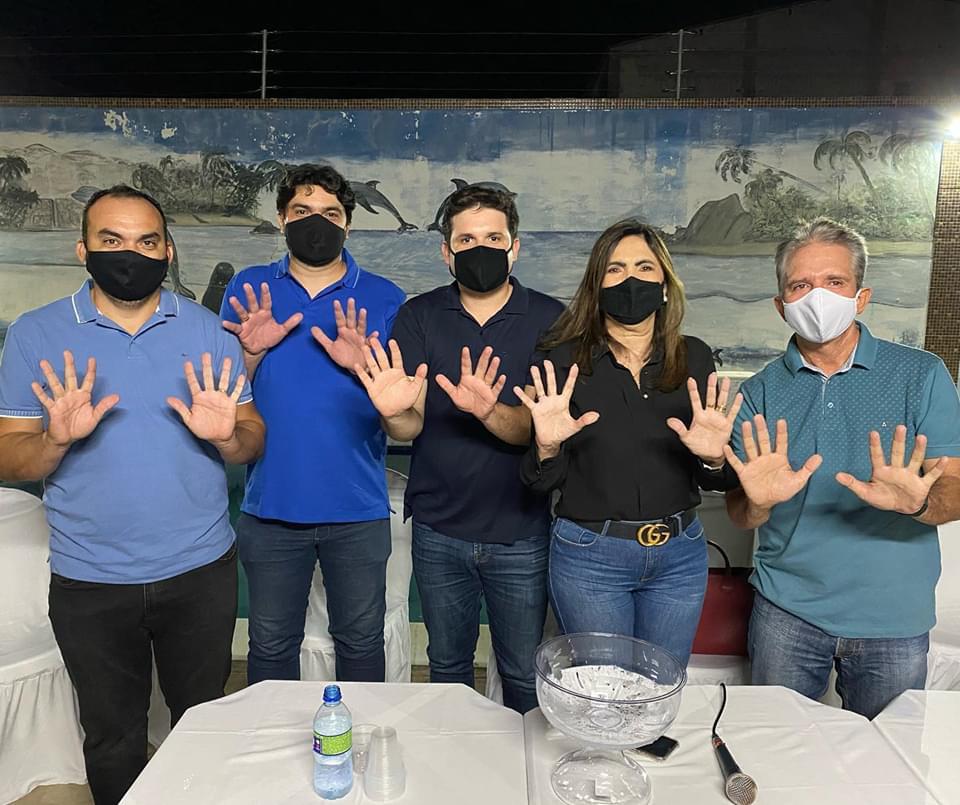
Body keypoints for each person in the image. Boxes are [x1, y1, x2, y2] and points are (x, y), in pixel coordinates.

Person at [0, 185, 264, 805]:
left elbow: (253, 437)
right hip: (89, 580)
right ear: (83, 249)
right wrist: (53, 443)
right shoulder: (35, 334)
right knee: (112, 737)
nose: (130, 254)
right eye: (111, 240)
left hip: (200, 571)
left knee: (201, 722)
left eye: (147, 241)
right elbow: (8, 452)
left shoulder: (209, 331)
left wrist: (228, 437)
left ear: (168, 251)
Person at [724, 217, 960, 719]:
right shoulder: (759, 391)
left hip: (893, 618)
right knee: (775, 745)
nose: (817, 297)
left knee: (886, 758)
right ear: (781, 305)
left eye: (834, 281)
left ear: (861, 297)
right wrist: (758, 504)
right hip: (785, 612)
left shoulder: (921, 374)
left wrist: (918, 503)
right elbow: (741, 514)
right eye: (800, 285)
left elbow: (956, 488)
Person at [354, 185, 563, 713]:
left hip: (521, 532)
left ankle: (518, 764)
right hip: (438, 529)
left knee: (522, 672)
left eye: (493, 238)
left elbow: (541, 432)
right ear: (446, 252)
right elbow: (409, 426)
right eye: (466, 240)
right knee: (447, 667)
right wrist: (390, 411)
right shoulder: (419, 315)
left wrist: (489, 411)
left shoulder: (551, 319)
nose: (480, 249)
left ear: (515, 247)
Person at [516, 219, 741, 666]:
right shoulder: (561, 360)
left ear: (664, 283)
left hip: (679, 557)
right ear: (596, 285)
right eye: (615, 269)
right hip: (590, 558)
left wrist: (715, 459)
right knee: (604, 691)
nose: (630, 280)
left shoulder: (694, 356)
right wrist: (546, 448)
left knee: (663, 684)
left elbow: (717, 480)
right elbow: (539, 483)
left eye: (644, 267)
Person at [220, 163, 405, 684]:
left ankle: (359, 733)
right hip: (270, 507)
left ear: (348, 223)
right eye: (302, 211)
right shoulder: (249, 286)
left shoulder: (386, 296)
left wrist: (365, 370)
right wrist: (251, 354)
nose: (316, 222)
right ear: (281, 218)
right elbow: (222, 396)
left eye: (330, 212)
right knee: (271, 644)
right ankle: (269, 737)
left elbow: (401, 407)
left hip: (358, 508)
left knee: (361, 641)